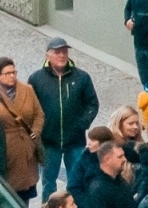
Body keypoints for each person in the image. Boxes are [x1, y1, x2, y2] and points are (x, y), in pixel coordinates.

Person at [30, 39, 100, 198]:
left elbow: (92, 103)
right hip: (48, 141)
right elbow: (31, 108)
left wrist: (83, 123)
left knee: (77, 180)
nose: (62, 55)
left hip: (74, 141)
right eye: (57, 52)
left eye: (64, 52)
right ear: (48, 55)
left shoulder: (82, 77)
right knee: (48, 182)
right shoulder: (36, 79)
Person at [0, 57, 46, 204]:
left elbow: (39, 114)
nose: (12, 76)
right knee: (9, 191)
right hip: (7, 148)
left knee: (25, 192)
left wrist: (35, 132)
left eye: (14, 72)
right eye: (7, 73)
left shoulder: (27, 90)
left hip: (27, 146)